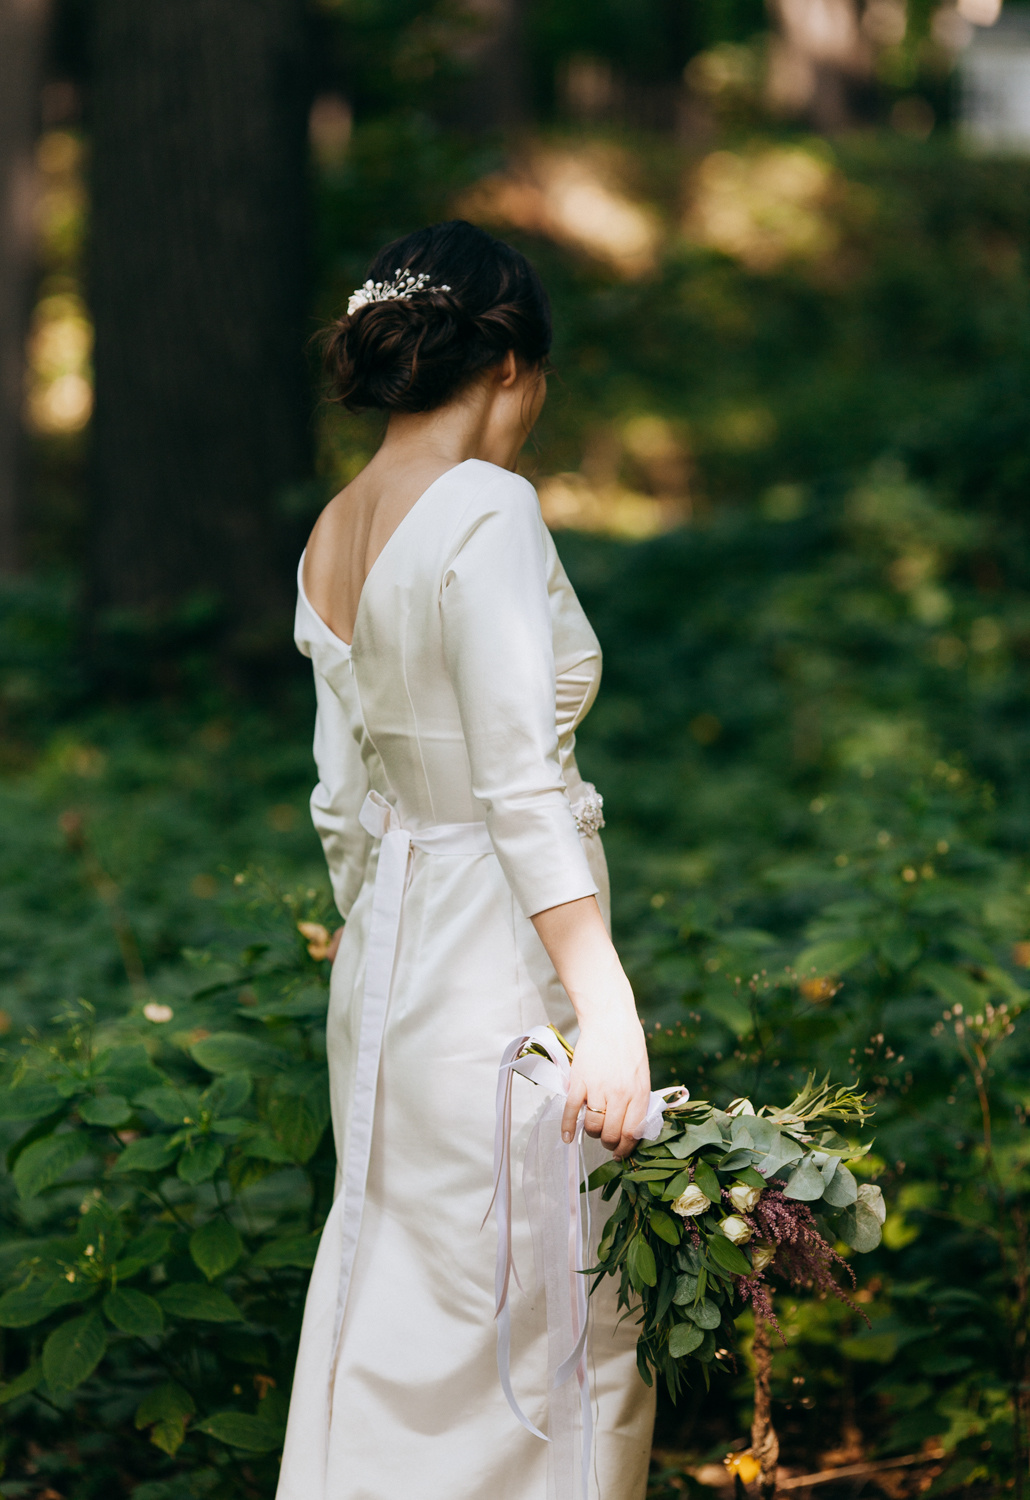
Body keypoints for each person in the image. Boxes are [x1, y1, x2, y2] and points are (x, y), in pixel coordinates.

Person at [278, 219, 655, 1500]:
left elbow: (342, 802)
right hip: (500, 958)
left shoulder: (333, 529)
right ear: (508, 364)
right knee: (547, 1314)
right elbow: (516, 781)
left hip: (390, 963)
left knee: (404, 1306)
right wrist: (602, 1009)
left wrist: (384, 943)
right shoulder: (487, 508)